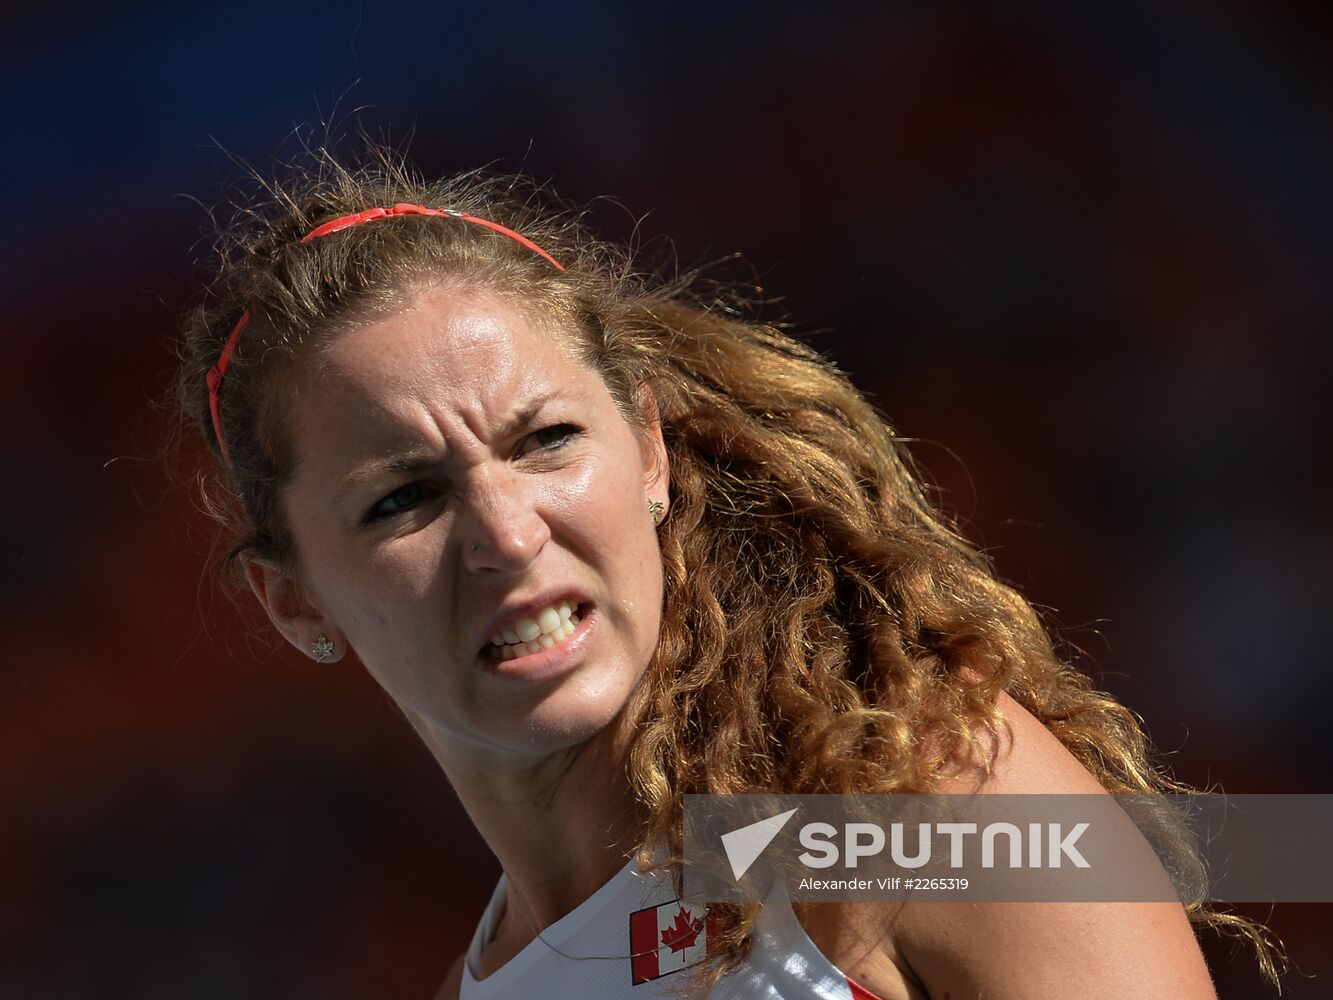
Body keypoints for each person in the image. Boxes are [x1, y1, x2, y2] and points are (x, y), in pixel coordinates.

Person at [172, 147, 1277, 999]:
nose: (505, 534)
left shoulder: (916, 808)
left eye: (547, 440)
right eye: (402, 499)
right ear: (294, 600)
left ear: (649, 451)